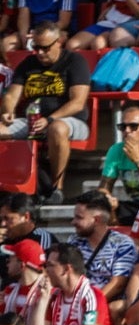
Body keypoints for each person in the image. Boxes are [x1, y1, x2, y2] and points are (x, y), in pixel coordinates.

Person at [1, 21, 90, 201]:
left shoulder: (74, 61)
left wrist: (49, 119)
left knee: (57, 128)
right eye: (36, 47)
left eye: (45, 48)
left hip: (71, 121)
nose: (40, 53)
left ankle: (57, 188)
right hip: (32, 120)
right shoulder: (29, 63)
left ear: (58, 42)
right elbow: (12, 94)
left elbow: (78, 103)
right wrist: (7, 110)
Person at [68, 192, 137, 310]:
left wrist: (89, 304)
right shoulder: (74, 241)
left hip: (102, 304)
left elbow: (118, 284)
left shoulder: (122, 244)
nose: (73, 222)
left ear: (96, 220)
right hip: (74, 300)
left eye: (79, 218)